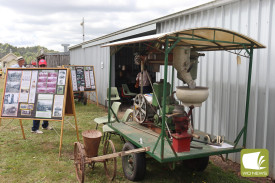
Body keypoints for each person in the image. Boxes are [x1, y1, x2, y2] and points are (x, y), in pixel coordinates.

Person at [31, 59, 53, 134]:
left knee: (46, 109)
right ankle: (34, 129)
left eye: (44, 65)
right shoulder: (36, 73)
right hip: (38, 94)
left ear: (46, 66)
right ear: (38, 65)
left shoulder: (49, 73)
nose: (42, 67)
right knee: (37, 111)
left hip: (46, 93)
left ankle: (45, 125)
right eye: (41, 65)